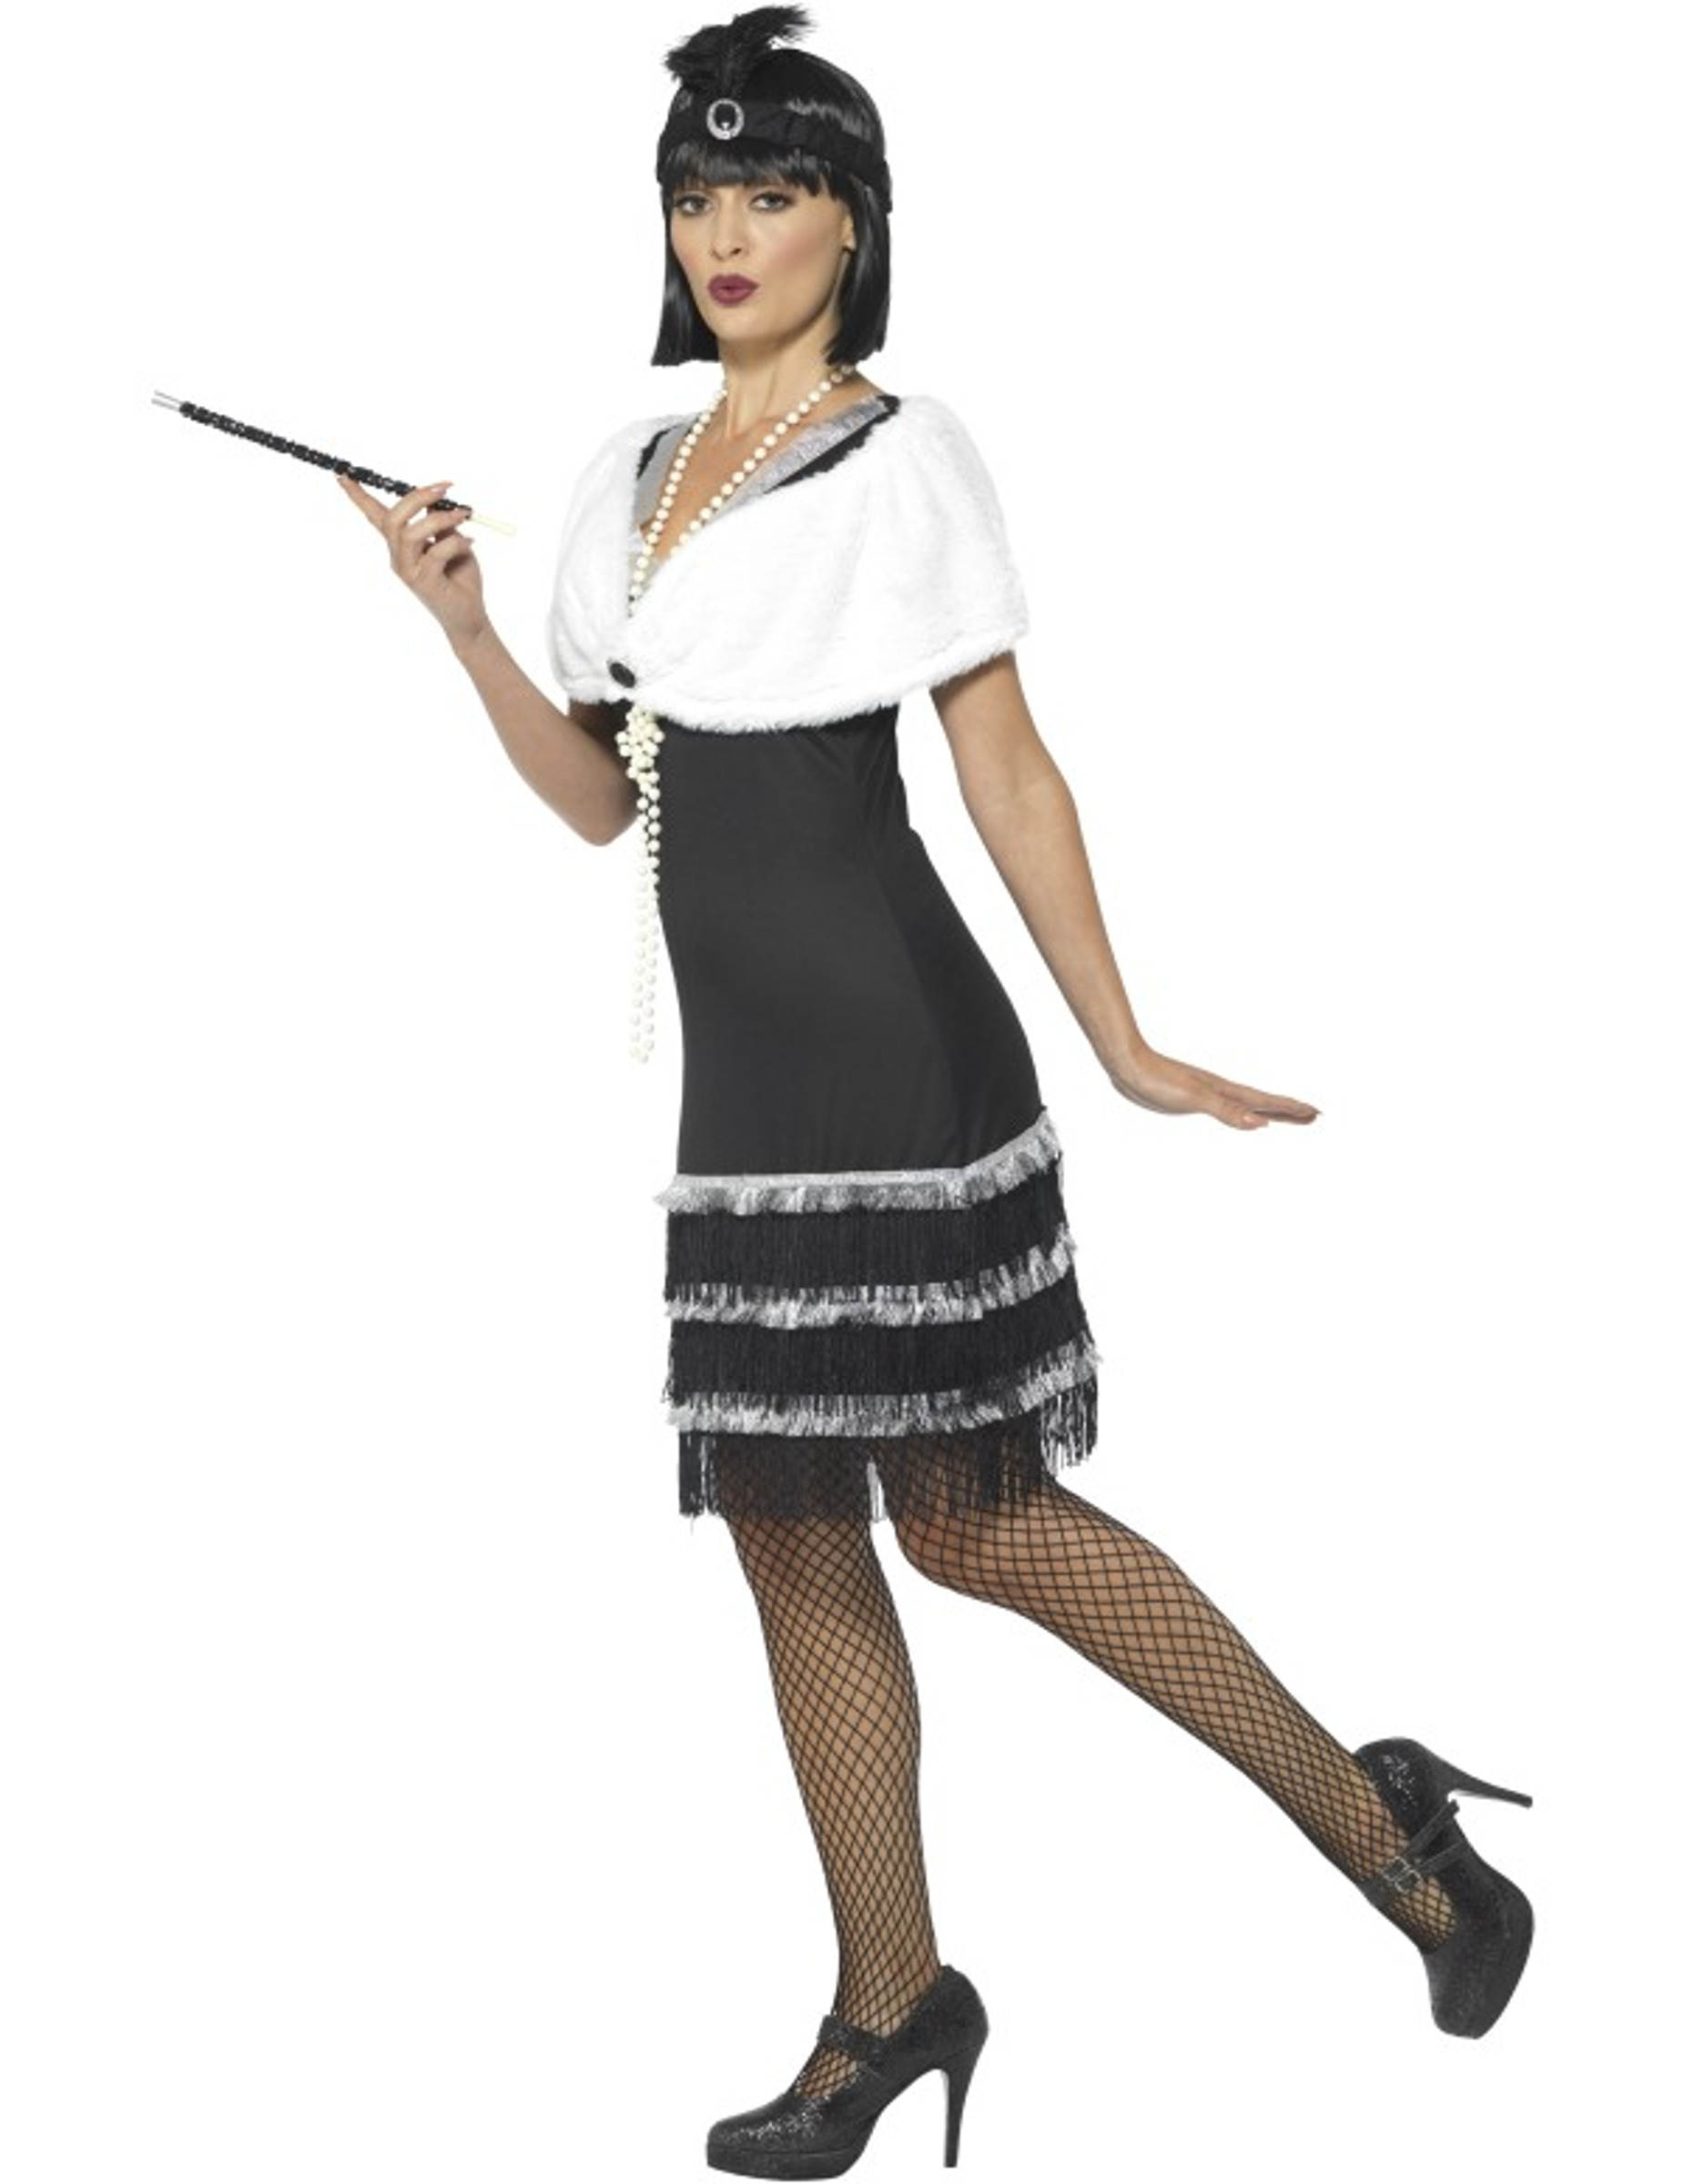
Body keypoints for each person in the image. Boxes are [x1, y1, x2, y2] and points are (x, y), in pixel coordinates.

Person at [338, 7, 1536, 2174]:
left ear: (853, 224)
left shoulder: (904, 454)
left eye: (771, 193)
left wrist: (1126, 1043)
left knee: (979, 1523)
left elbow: (1005, 768)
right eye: (695, 197)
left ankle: (1385, 1830)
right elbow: (610, 806)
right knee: (790, 1538)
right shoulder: (623, 475)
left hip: (898, 1058)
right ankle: (888, 2003)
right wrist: (464, 632)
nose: (726, 233)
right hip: (742, 1108)